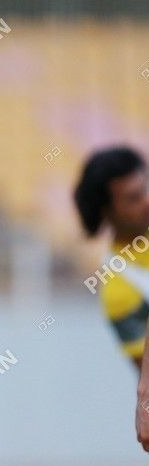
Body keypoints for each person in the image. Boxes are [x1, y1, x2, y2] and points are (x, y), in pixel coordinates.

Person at [74, 147, 149, 370]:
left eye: (145, 189)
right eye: (133, 198)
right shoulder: (119, 292)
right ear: (106, 211)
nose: (146, 202)